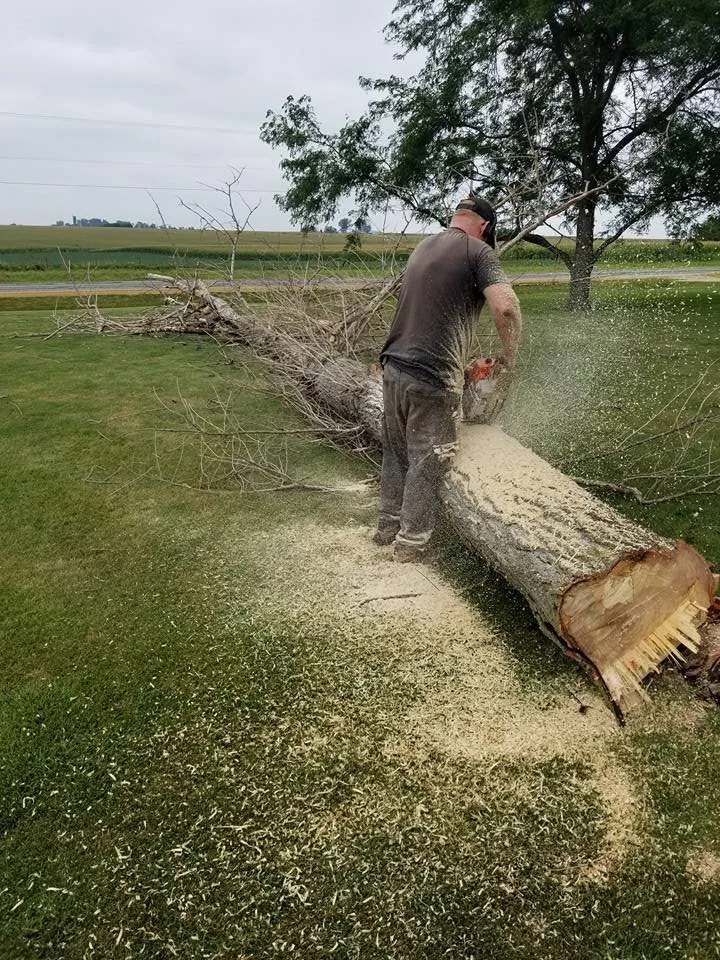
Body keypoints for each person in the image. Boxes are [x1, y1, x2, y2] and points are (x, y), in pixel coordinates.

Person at [373, 194, 522, 562]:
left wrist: (467, 369)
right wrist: (510, 356)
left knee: (396, 453)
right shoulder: (479, 252)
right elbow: (505, 306)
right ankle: (411, 546)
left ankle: (386, 528)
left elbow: (431, 318)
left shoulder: (424, 247)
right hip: (431, 376)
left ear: (457, 217)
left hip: (393, 368)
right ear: (485, 227)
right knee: (429, 460)